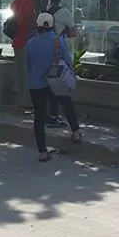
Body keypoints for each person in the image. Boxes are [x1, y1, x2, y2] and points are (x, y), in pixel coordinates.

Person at [26, 12, 82, 162]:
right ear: (52, 26)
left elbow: (28, 65)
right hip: (56, 81)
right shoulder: (58, 41)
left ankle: (42, 152)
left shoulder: (30, 43)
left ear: (37, 26)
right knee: (66, 103)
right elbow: (69, 63)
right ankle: (75, 132)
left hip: (37, 84)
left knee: (39, 117)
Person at [45, 0, 78, 128]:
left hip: (45, 51)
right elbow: (73, 32)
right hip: (58, 53)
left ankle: (51, 115)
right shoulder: (64, 12)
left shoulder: (44, 9)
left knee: (49, 85)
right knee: (59, 86)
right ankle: (56, 117)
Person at [11, 0, 37, 110]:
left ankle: (20, 100)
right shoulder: (28, 2)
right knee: (28, 73)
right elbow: (28, 21)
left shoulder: (16, 2)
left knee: (20, 72)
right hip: (26, 40)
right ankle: (26, 100)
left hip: (16, 41)